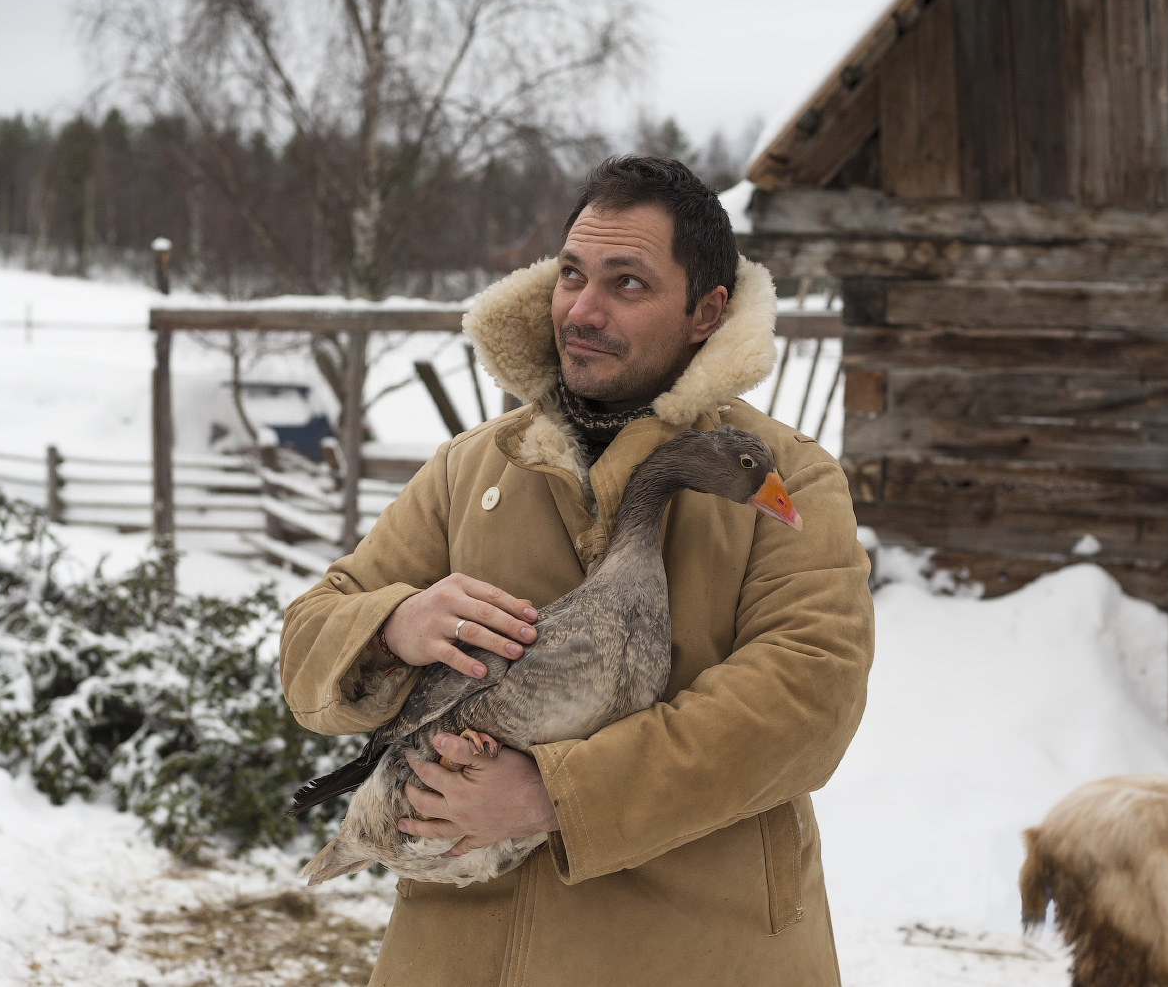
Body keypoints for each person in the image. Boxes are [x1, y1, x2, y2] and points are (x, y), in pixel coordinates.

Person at [280, 156, 874, 986]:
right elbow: (311, 633)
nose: (582, 311)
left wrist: (557, 794)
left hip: (698, 956)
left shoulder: (786, 479)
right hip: (463, 961)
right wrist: (392, 624)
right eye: (571, 275)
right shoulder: (472, 468)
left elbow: (808, 698)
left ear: (706, 311)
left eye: (627, 283)